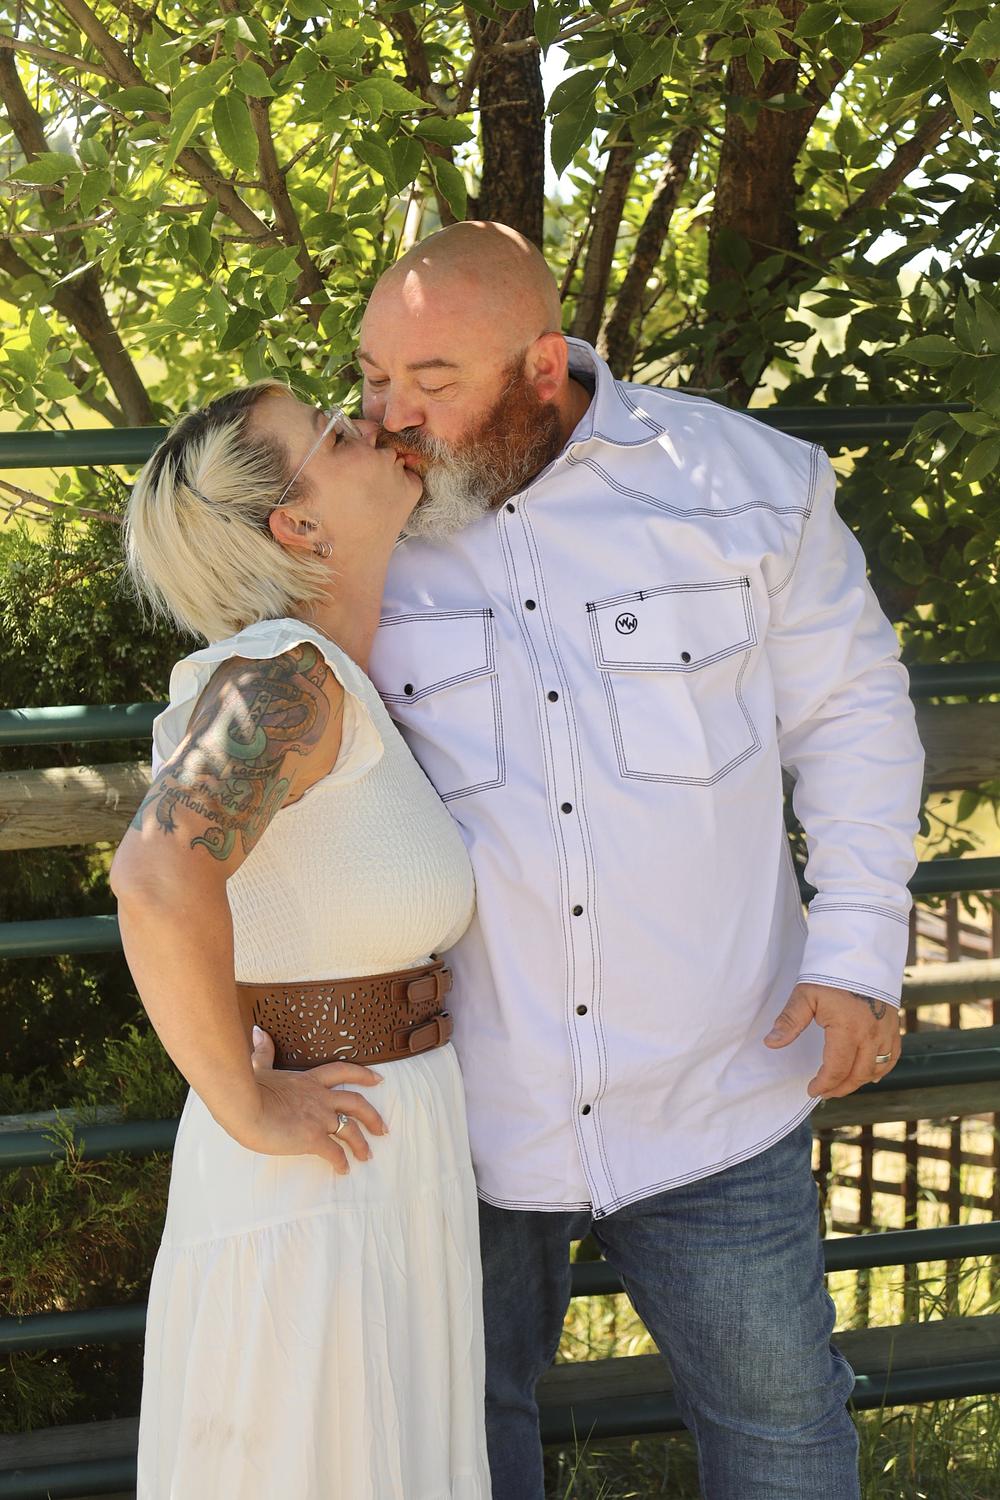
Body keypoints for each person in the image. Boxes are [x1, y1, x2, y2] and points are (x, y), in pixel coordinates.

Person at [359, 222, 926, 1499]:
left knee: (780, 1430)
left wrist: (855, 956)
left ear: (542, 365)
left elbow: (850, 717)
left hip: (717, 1082)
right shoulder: (354, 515)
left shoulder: (747, 484)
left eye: (433, 381)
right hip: (463, 1105)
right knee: (456, 1441)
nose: (393, 415)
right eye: (375, 376)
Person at [110, 382, 492, 1499]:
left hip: (380, 1156)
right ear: (298, 524)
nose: (372, 424)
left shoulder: (331, 682)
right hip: (312, 1174)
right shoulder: (286, 677)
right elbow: (156, 872)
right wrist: (242, 1103)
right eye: (334, 430)